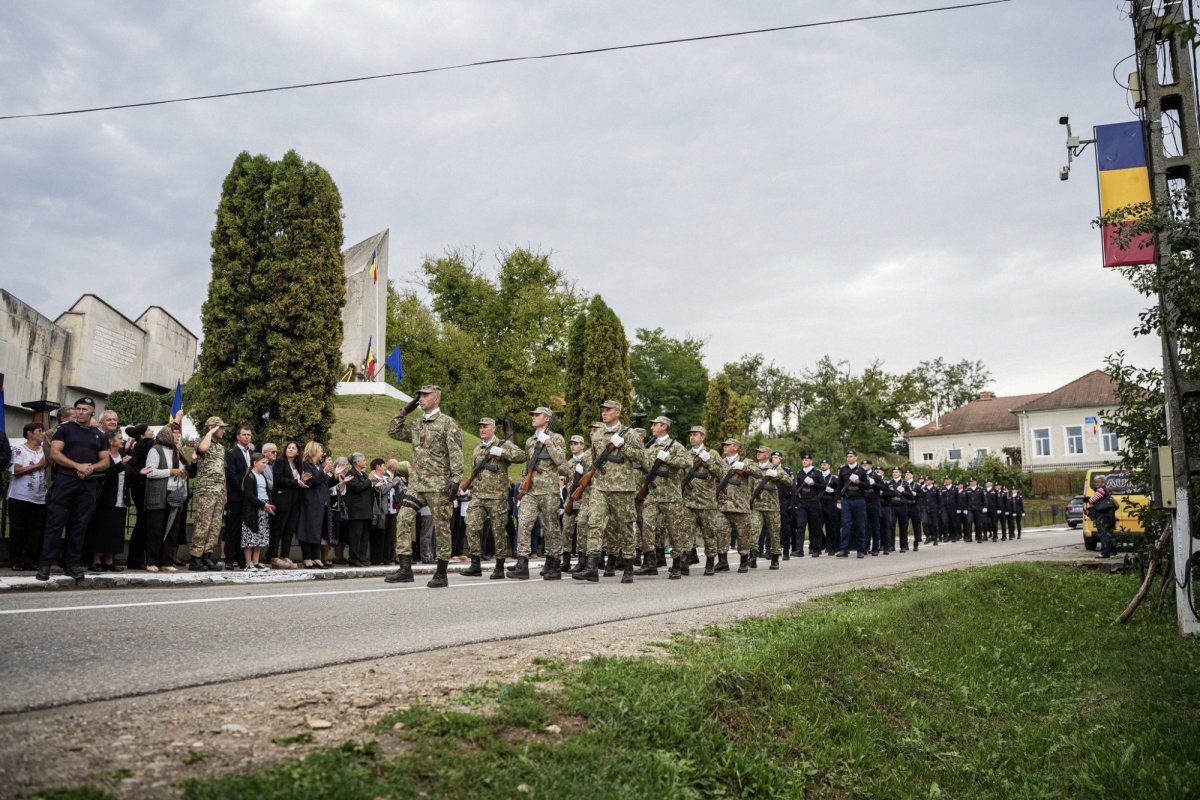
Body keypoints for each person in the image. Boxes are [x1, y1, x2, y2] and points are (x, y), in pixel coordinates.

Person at [386, 385, 464, 588]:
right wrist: (405, 410)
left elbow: (456, 453)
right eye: (419, 395)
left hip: (438, 485)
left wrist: (456, 481)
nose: (420, 398)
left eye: (425, 395)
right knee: (403, 519)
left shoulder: (447, 423)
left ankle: (441, 573)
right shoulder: (417, 423)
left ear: (436, 398)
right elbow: (393, 431)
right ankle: (405, 568)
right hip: (417, 485)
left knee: (441, 528)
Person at [35, 397, 110, 582]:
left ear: (92, 411)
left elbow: (105, 461)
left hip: (88, 483)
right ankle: (45, 565)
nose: (80, 412)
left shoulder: (99, 434)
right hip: (65, 480)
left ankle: (72, 565)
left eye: (85, 409)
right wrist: (77, 465)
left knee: (79, 525)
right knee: (55, 523)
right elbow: (55, 453)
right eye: (78, 408)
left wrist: (90, 468)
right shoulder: (65, 429)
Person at [461, 417, 524, 579]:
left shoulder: (503, 444)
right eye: (480, 427)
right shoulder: (477, 449)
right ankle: (475, 564)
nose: (482, 429)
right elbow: (474, 471)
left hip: (497, 497)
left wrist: (503, 453)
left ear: (493, 428)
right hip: (478, 496)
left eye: (485, 427)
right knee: (471, 526)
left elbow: (522, 456)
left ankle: (499, 566)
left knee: (498, 531)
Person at [512, 407, 567, 580]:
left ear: (547, 418)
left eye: (537, 415)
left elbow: (561, 461)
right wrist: (523, 486)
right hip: (531, 491)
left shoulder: (556, 438)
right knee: (523, 522)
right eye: (533, 415)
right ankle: (522, 563)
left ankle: (554, 563)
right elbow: (528, 465)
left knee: (551, 528)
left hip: (549, 491)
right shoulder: (530, 441)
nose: (533, 417)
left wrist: (548, 443)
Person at [636, 415, 692, 578]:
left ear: (664, 426)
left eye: (655, 425)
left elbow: (688, 463)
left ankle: (677, 565)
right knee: (647, 526)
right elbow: (645, 467)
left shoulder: (675, 446)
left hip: (671, 496)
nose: (652, 427)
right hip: (653, 495)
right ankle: (650, 562)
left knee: (675, 531)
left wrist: (667, 458)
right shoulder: (651, 447)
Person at [141, 426, 187, 572]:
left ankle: (166, 562)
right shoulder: (155, 450)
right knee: (156, 529)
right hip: (159, 494)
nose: (178, 437)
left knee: (172, 530)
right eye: (175, 434)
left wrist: (182, 473)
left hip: (174, 494)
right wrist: (170, 472)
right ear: (166, 435)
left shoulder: (175, 451)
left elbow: (181, 469)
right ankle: (152, 562)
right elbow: (150, 472)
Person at [186, 418, 227, 571]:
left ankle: (207, 556)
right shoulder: (202, 441)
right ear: (212, 427)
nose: (223, 430)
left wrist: (225, 491)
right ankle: (195, 558)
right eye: (220, 427)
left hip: (219, 491)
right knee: (203, 524)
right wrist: (210, 431)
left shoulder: (221, 448)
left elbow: (222, 471)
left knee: (215, 526)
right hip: (206, 489)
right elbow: (202, 449)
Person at [85, 429, 129, 571]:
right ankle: (96, 560)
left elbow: (128, 473)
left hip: (121, 497)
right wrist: (121, 465)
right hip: (105, 497)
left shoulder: (123, 454)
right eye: (120, 438)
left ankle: (110, 560)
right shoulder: (103, 456)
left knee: (116, 531)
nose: (122, 440)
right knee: (101, 529)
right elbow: (104, 473)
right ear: (110, 441)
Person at [715, 439, 761, 573]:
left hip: (740, 506)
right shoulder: (721, 462)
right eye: (724, 445)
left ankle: (743, 562)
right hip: (723, 505)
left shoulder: (745, 461)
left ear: (735, 447)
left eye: (727, 445)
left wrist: (744, 467)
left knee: (743, 535)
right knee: (721, 533)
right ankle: (723, 562)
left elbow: (759, 473)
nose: (724, 447)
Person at [7, 422, 48, 570]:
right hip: (20, 496)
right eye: (39, 431)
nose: (42, 433)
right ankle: (16, 560)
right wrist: (38, 465)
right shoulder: (19, 449)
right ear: (29, 433)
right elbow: (17, 470)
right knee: (18, 528)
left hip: (40, 497)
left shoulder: (45, 451)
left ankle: (30, 559)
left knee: (35, 530)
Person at [748, 445, 790, 570]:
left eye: (761, 452)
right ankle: (753, 556)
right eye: (757, 452)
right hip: (757, 506)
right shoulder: (754, 467)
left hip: (772, 507)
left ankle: (775, 558)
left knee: (774, 533)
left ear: (767, 455)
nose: (758, 453)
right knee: (754, 530)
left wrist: (777, 475)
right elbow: (750, 485)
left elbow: (789, 482)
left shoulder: (775, 468)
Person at [296, 442, 333, 569]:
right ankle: (307, 558)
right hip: (310, 501)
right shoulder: (306, 464)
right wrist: (324, 471)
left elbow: (326, 483)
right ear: (314, 451)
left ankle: (316, 557)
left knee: (318, 529)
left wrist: (338, 477)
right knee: (308, 529)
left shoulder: (318, 466)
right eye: (320, 450)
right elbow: (311, 481)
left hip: (321, 501)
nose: (322, 452)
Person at [123, 423, 154, 570]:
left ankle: (137, 558)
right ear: (142, 435)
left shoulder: (138, 445)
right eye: (149, 430)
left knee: (143, 522)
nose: (152, 432)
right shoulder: (145, 444)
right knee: (142, 523)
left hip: (139, 487)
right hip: (141, 487)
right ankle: (136, 558)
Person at [223, 426, 254, 569]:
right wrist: (245, 489)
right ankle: (229, 559)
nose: (247, 437)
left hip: (248, 498)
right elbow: (231, 476)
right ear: (238, 437)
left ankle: (242, 559)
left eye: (249, 435)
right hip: (236, 496)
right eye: (244, 434)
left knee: (245, 528)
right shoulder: (232, 454)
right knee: (233, 527)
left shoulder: (252, 453)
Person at [240, 452, 274, 570]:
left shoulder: (262, 476)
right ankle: (248, 563)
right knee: (250, 537)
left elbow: (266, 492)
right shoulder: (250, 477)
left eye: (266, 463)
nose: (265, 465)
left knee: (260, 536)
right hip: (252, 511)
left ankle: (256, 562)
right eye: (263, 463)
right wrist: (264, 505)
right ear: (255, 463)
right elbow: (249, 495)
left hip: (263, 509)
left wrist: (268, 504)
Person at [340, 453, 373, 566]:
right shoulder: (351, 473)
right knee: (355, 536)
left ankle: (362, 557)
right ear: (357, 462)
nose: (365, 462)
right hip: (356, 510)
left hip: (366, 509)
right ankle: (354, 558)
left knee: (364, 536)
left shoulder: (363, 474)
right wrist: (369, 480)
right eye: (363, 460)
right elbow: (357, 488)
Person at [836, 450, 869, 559]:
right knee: (845, 525)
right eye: (847, 456)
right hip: (846, 500)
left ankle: (861, 550)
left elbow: (867, 486)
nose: (848, 458)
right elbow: (839, 485)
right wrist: (838, 498)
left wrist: (858, 482)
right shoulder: (843, 469)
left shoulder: (862, 470)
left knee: (860, 525)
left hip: (859, 500)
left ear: (856, 457)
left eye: (851, 456)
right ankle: (844, 550)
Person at [792, 453, 825, 559]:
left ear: (811, 461)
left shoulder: (817, 473)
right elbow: (797, 488)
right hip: (802, 502)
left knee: (814, 526)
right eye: (803, 460)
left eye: (806, 460)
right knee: (800, 525)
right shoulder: (800, 473)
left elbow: (823, 487)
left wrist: (814, 484)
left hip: (813, 501)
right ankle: (799, 550)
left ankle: (816, 549)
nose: (804, 461)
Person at [1088, 475, 1118, 558]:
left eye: (1098, 482)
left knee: (1103, 534)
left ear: (1103, 483)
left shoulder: (1100, 490)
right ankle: (1112, 552)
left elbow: (1091, 500)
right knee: (1109, 534)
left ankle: (1105, 553)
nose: (1096, 483)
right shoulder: (1107, 491)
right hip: (1110, 515)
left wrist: (1090, 501)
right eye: (1096, 482)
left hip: (1102, 515)